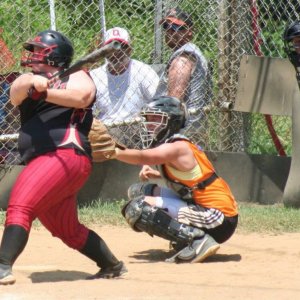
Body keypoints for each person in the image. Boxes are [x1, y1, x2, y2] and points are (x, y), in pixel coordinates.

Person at [0, 29, 127, 285]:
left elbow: (82, 97)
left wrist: (47, 92)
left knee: (20, 205)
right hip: (48, 162)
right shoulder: (28, 78)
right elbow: (16, 93)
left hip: (63, 156)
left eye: (38, 51)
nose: (32, 55)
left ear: (54, 55)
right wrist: (34, 84)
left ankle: (2, 265)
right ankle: (111, 264)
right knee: (66, 229)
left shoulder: (77, 75)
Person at [114, 96, 238, 263]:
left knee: (138, 208)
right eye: (148, 119)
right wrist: (158, 175)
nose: (149, 124)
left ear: (171, 122)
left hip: (219, 219)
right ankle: (189, 237)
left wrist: (111, 150)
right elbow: (189, 180)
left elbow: (143, 156)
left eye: (155, 119)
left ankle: (197, 240)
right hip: (203, 208)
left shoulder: (177, 147)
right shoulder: (174, 144)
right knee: (138, 191)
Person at [90, 27, 159, 147]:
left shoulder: (143, 71)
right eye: (111, 47)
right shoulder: (95, 76)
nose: (117, 52)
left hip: (136, 127)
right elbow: (87, 111)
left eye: (122, 46)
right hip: (106, 129)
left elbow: (158, 102)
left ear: (129, 50)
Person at [155, 8, 211, 142]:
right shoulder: (191, 51)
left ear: (190, 31)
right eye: (166, 26)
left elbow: (174, 101)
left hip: (179, 133)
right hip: (189, 131)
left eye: (177, 27)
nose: (170, 31)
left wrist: (160, 134)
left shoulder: (182, 57)